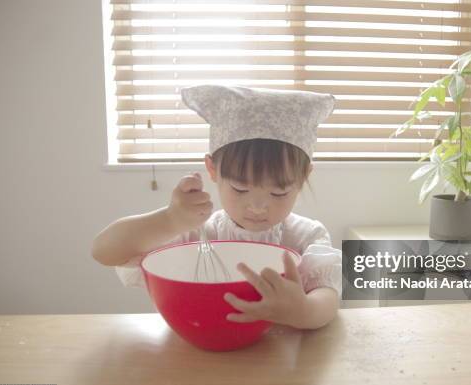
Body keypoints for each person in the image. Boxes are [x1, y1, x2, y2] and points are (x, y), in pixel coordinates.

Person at [92, 85, 341, 330]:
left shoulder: (306, 237)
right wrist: (169, 220)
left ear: (304, 176)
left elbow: (327, 298)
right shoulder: (196, 234)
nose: (257, 206)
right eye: (240, 189)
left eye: (279, 192)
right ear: (212, 170)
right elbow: (103, 251)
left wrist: (304, 311)